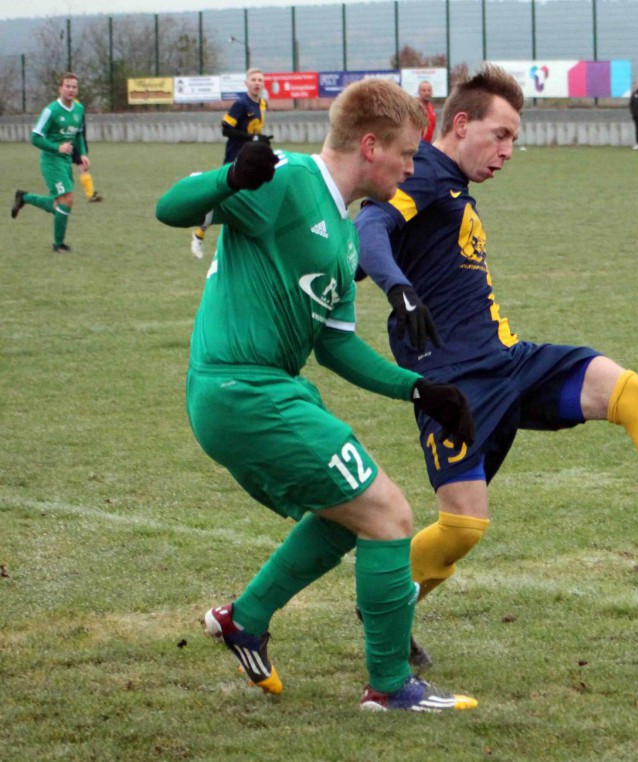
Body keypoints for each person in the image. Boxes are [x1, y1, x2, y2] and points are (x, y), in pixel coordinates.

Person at [354, 64, 638, 671]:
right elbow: (370, 226)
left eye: (515, 139)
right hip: (455, 384)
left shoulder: (451, 185)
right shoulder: (428, 173)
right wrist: (399, 288)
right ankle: (386, 599)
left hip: (510, 361)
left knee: (629, 392)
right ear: (461, 125)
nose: (510, 151)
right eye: (501, 135)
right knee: (462, 527)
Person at [154, 77, 478, 712]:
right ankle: (389, 688)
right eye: (408, 154)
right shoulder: (288, 180)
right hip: (239, 388)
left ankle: (244, 618)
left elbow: (336, 347)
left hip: (273, 389)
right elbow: (170, 206)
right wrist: (231, 178)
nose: (413, 167)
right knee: (390, 514)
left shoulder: (346, 231)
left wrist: (421, 390)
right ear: (369, 145)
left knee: (348, 517)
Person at [191, 68, 270, 258]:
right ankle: (198, 235)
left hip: (252, 162)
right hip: (234, 161)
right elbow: (226, 130)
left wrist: (261, 141)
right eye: (254, 80)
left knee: (257, 199)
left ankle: (250, 246)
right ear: (246, 83)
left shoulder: (263, 104)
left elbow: (255, 135)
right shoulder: (241, 104)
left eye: (260, 80)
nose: (257, 83)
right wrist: (252, 138)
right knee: (221, 200)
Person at [11, 73, 89, 253]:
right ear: (60, 89)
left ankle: (25, 197)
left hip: (66, 161)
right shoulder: (51, 111)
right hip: (51, 161)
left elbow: (78, 135)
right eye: (67, 86)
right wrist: (57, 147)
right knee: (67, 200)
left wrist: (82, 155)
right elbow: (35, 138)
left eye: (74, 87)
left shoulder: (79, 109)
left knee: (60, 204)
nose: (71, 90)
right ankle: (58, 244)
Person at [73, 111, 102, 203]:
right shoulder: (70, 107)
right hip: (70, 144)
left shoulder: (78, 107)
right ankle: (90, 194)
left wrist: (83, 149)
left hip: (78, 144)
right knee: (82, 167)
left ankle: (90, 194)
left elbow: (81, 131)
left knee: (83, 167)